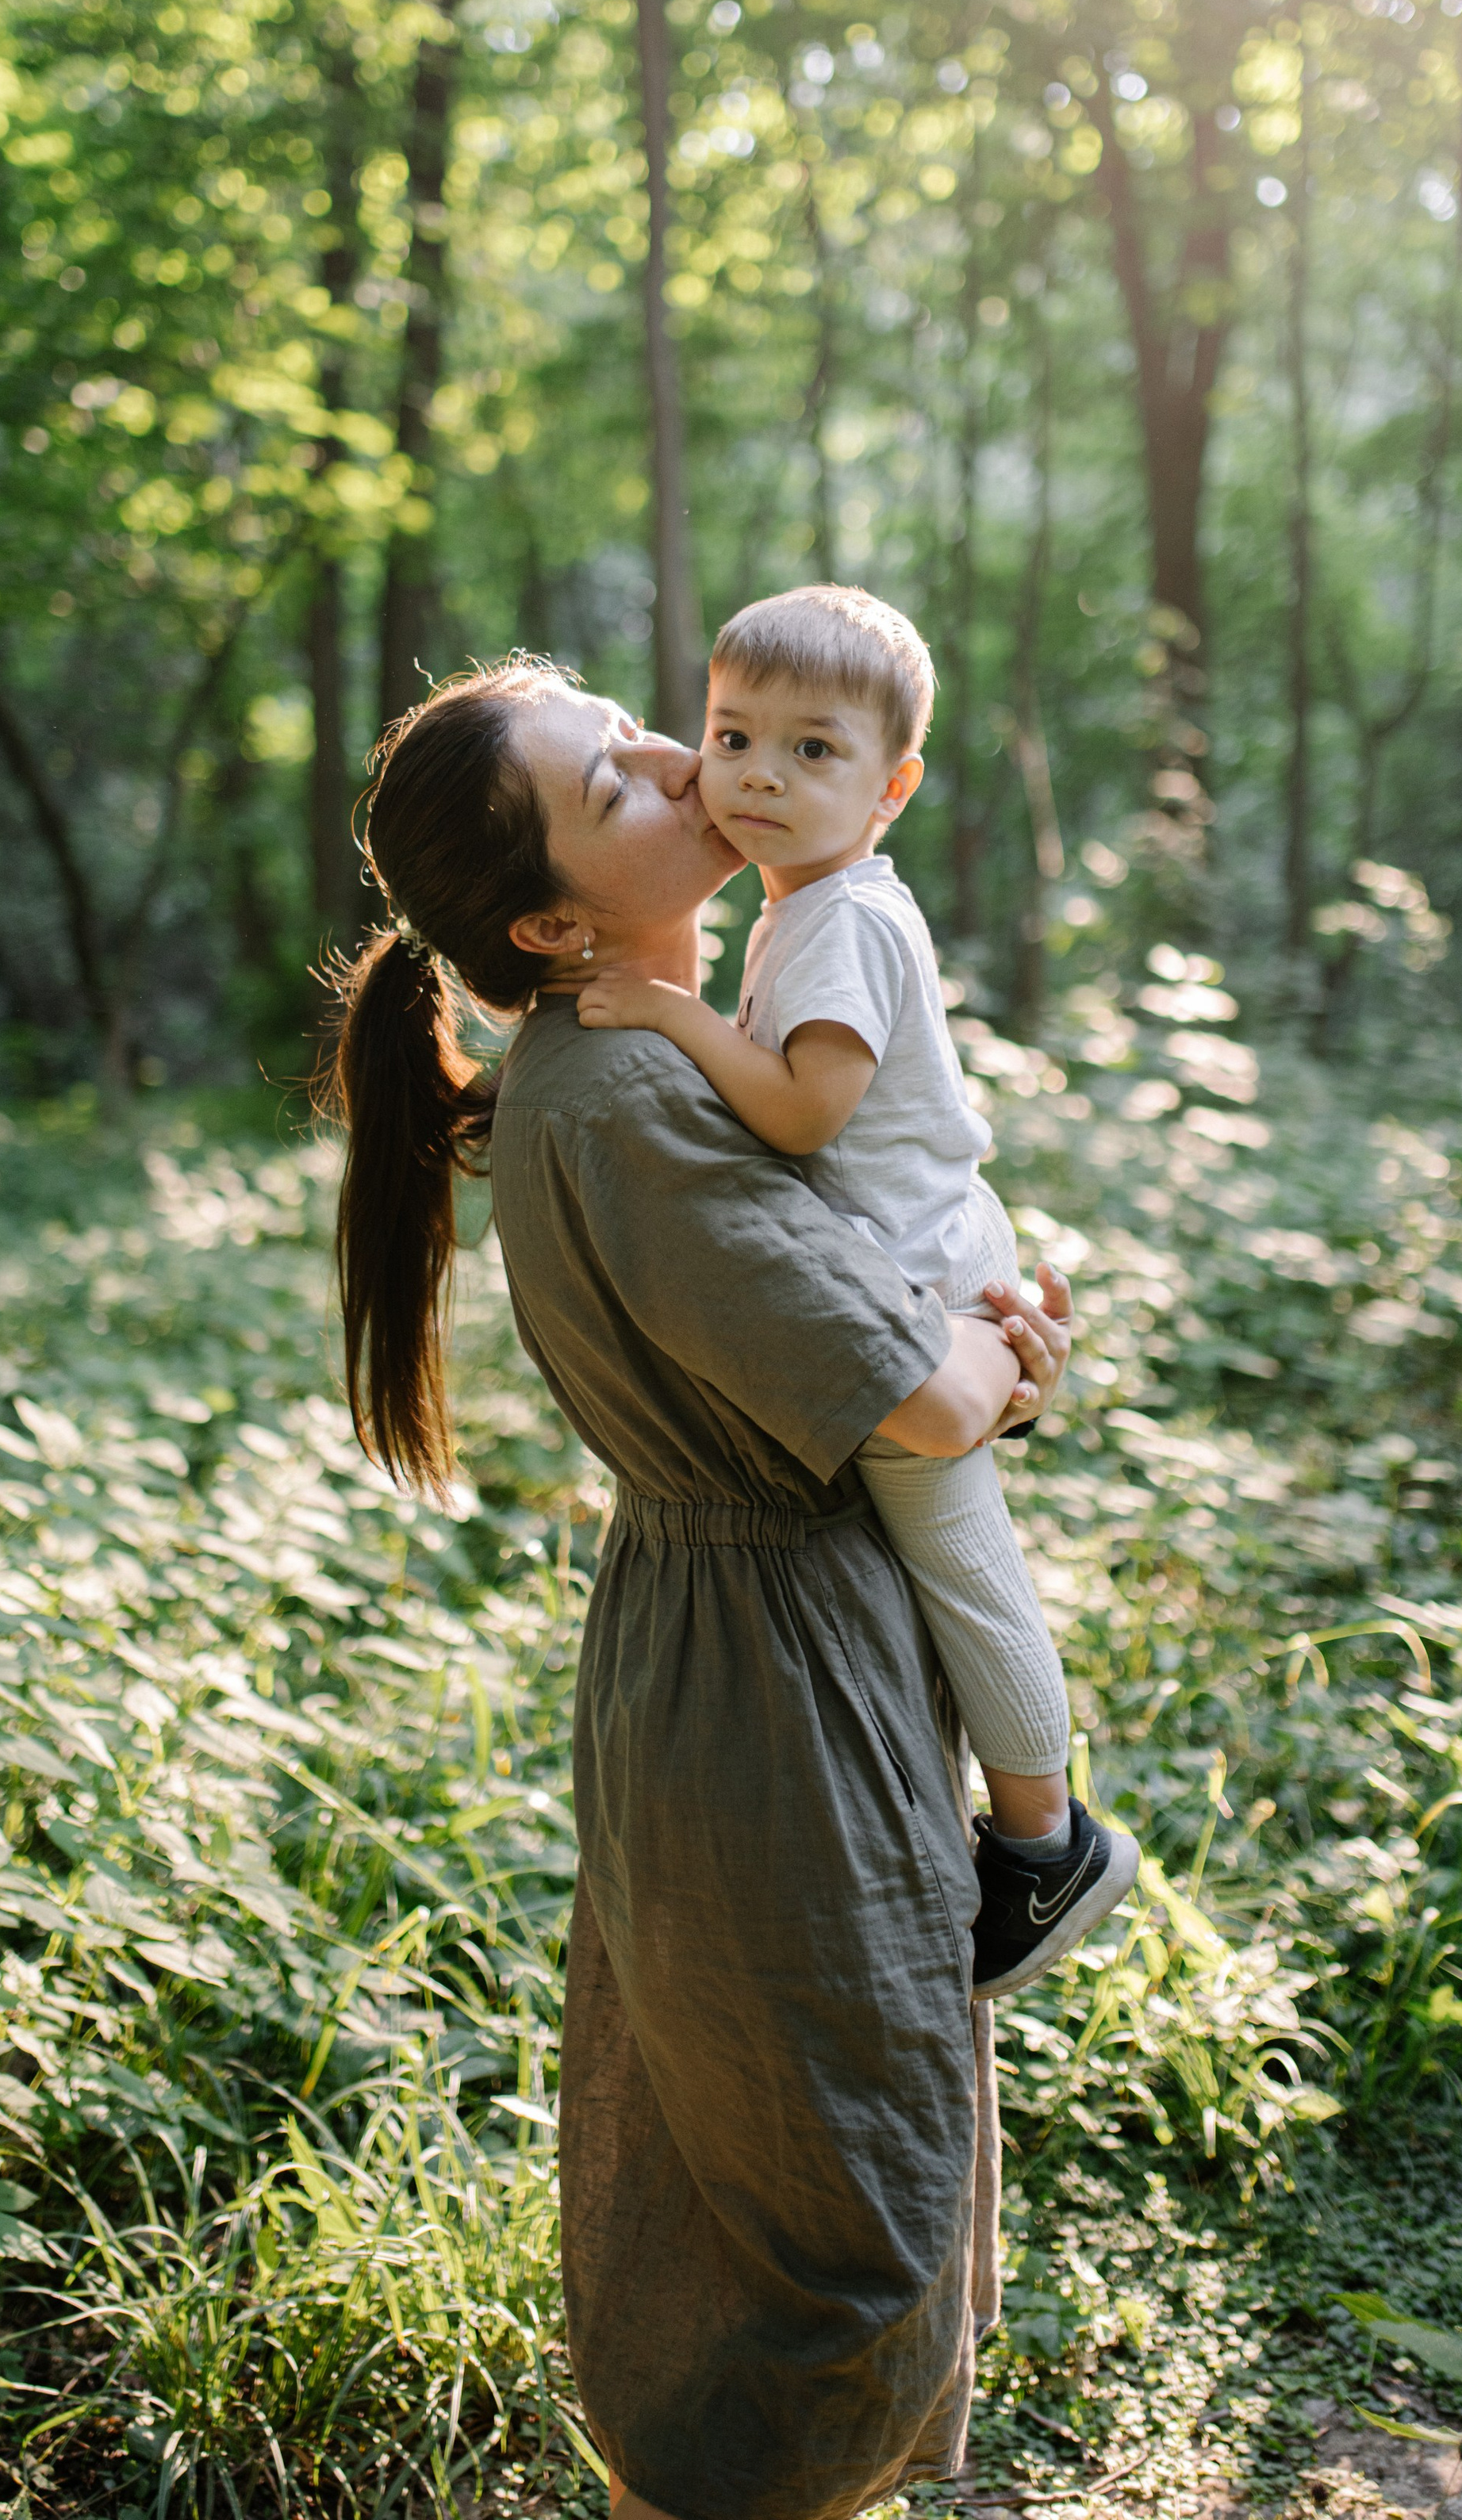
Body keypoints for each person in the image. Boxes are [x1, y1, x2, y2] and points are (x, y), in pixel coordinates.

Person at [323, 658, 1075, 2520]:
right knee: (828, 2220)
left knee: (762, 2186)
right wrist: (996, 1350)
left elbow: (871, 1340)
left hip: (758, 1644)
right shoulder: (630, 1096)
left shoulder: (665, 1051)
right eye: (616, 779)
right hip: (770, 1692)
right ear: (551, 924)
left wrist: (976, 1346)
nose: (682, 760)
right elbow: (916, 1395)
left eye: (631, 722)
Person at [576, 586, 1137, 1999]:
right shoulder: (814, 902)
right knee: (941, 1553)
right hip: (923, 1243)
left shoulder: (836, 925)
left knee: (961, 1559)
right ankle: (1031, 1822)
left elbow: (805, 1111)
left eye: (813, 751)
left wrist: (674, 1013)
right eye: (731, 736)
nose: (757, 776)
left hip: (924, 1270)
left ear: (893, 789)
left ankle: (1047, 1840)